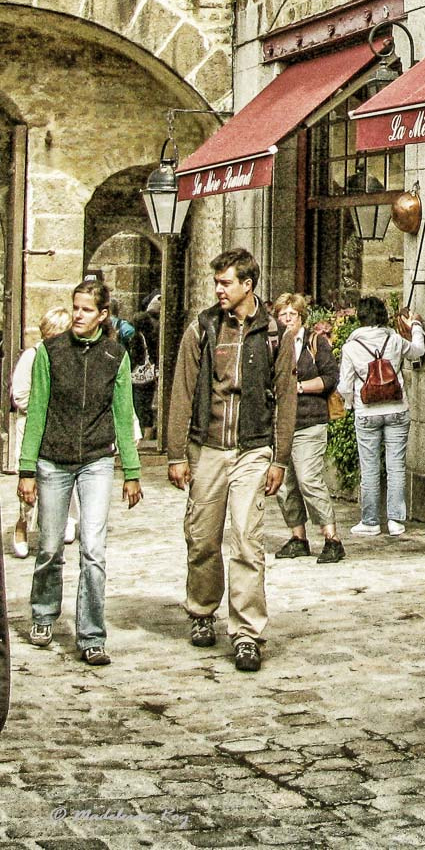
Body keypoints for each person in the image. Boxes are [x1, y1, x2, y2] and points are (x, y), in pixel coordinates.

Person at [167, 248, 297, 673]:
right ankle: (202, 611)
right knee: (202, 537)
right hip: (208, 447)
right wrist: (176, 453)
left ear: (248, 284)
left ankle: (246, 632)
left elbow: (286, 398)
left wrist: (279, 458)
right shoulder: (203, 328)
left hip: (253, 449)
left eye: (226, 283)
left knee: (246, 539)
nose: (218, 290)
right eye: (217, 283)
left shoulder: (275, 333)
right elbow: (183, 390)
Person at [18, 280, 143, 666]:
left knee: (93, 549)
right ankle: (42, 613)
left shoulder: (114, 355)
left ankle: (91, 634)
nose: (78, 315)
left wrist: (132, 471)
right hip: (52, 460)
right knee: (51, 546)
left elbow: (123, 414)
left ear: (103, 315)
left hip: (96, 461)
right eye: (76, 307)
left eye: (87, 309)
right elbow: (36, 410)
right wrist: (26, 469)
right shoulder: (49, 353)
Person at [338, 297, 425, 537]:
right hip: (397, 408)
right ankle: (396, 521)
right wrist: (416, 326)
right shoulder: (394, 339)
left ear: (360, 317)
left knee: (370, 468)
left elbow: (345, 385)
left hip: (367, 412)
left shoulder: (351, 346)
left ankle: (370, 521)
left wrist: (349, 405)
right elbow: (418, 350)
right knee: (396, 467)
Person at [272, 293, 343, 564]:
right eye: (282, 315)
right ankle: (298, 537)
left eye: (292, 314)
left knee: (308, 479)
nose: (287, 319)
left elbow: (330, 378)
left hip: (310, 422)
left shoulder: (315, 342)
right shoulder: (274, 344)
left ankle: (331, 538)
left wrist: (299, 387)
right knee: (284, 485)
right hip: (282, 425)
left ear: (301, 317)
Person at [10, 306, 72, 559]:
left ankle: (54, 530)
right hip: (32, 429)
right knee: (29, 486)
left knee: (58, 481)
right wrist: (48, 403)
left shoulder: (71, 360)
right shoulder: (32, 357)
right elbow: (20, 397)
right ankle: (22, 525)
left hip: (59, 431)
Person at [129, 291, 161, 439]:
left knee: (139, 405)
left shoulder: (136, 338)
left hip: (138, 376)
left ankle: (144, 434)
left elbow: (137, 358)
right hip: (148, 376)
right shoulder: (152, 337)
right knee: (146, 405)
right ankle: (148, 433)